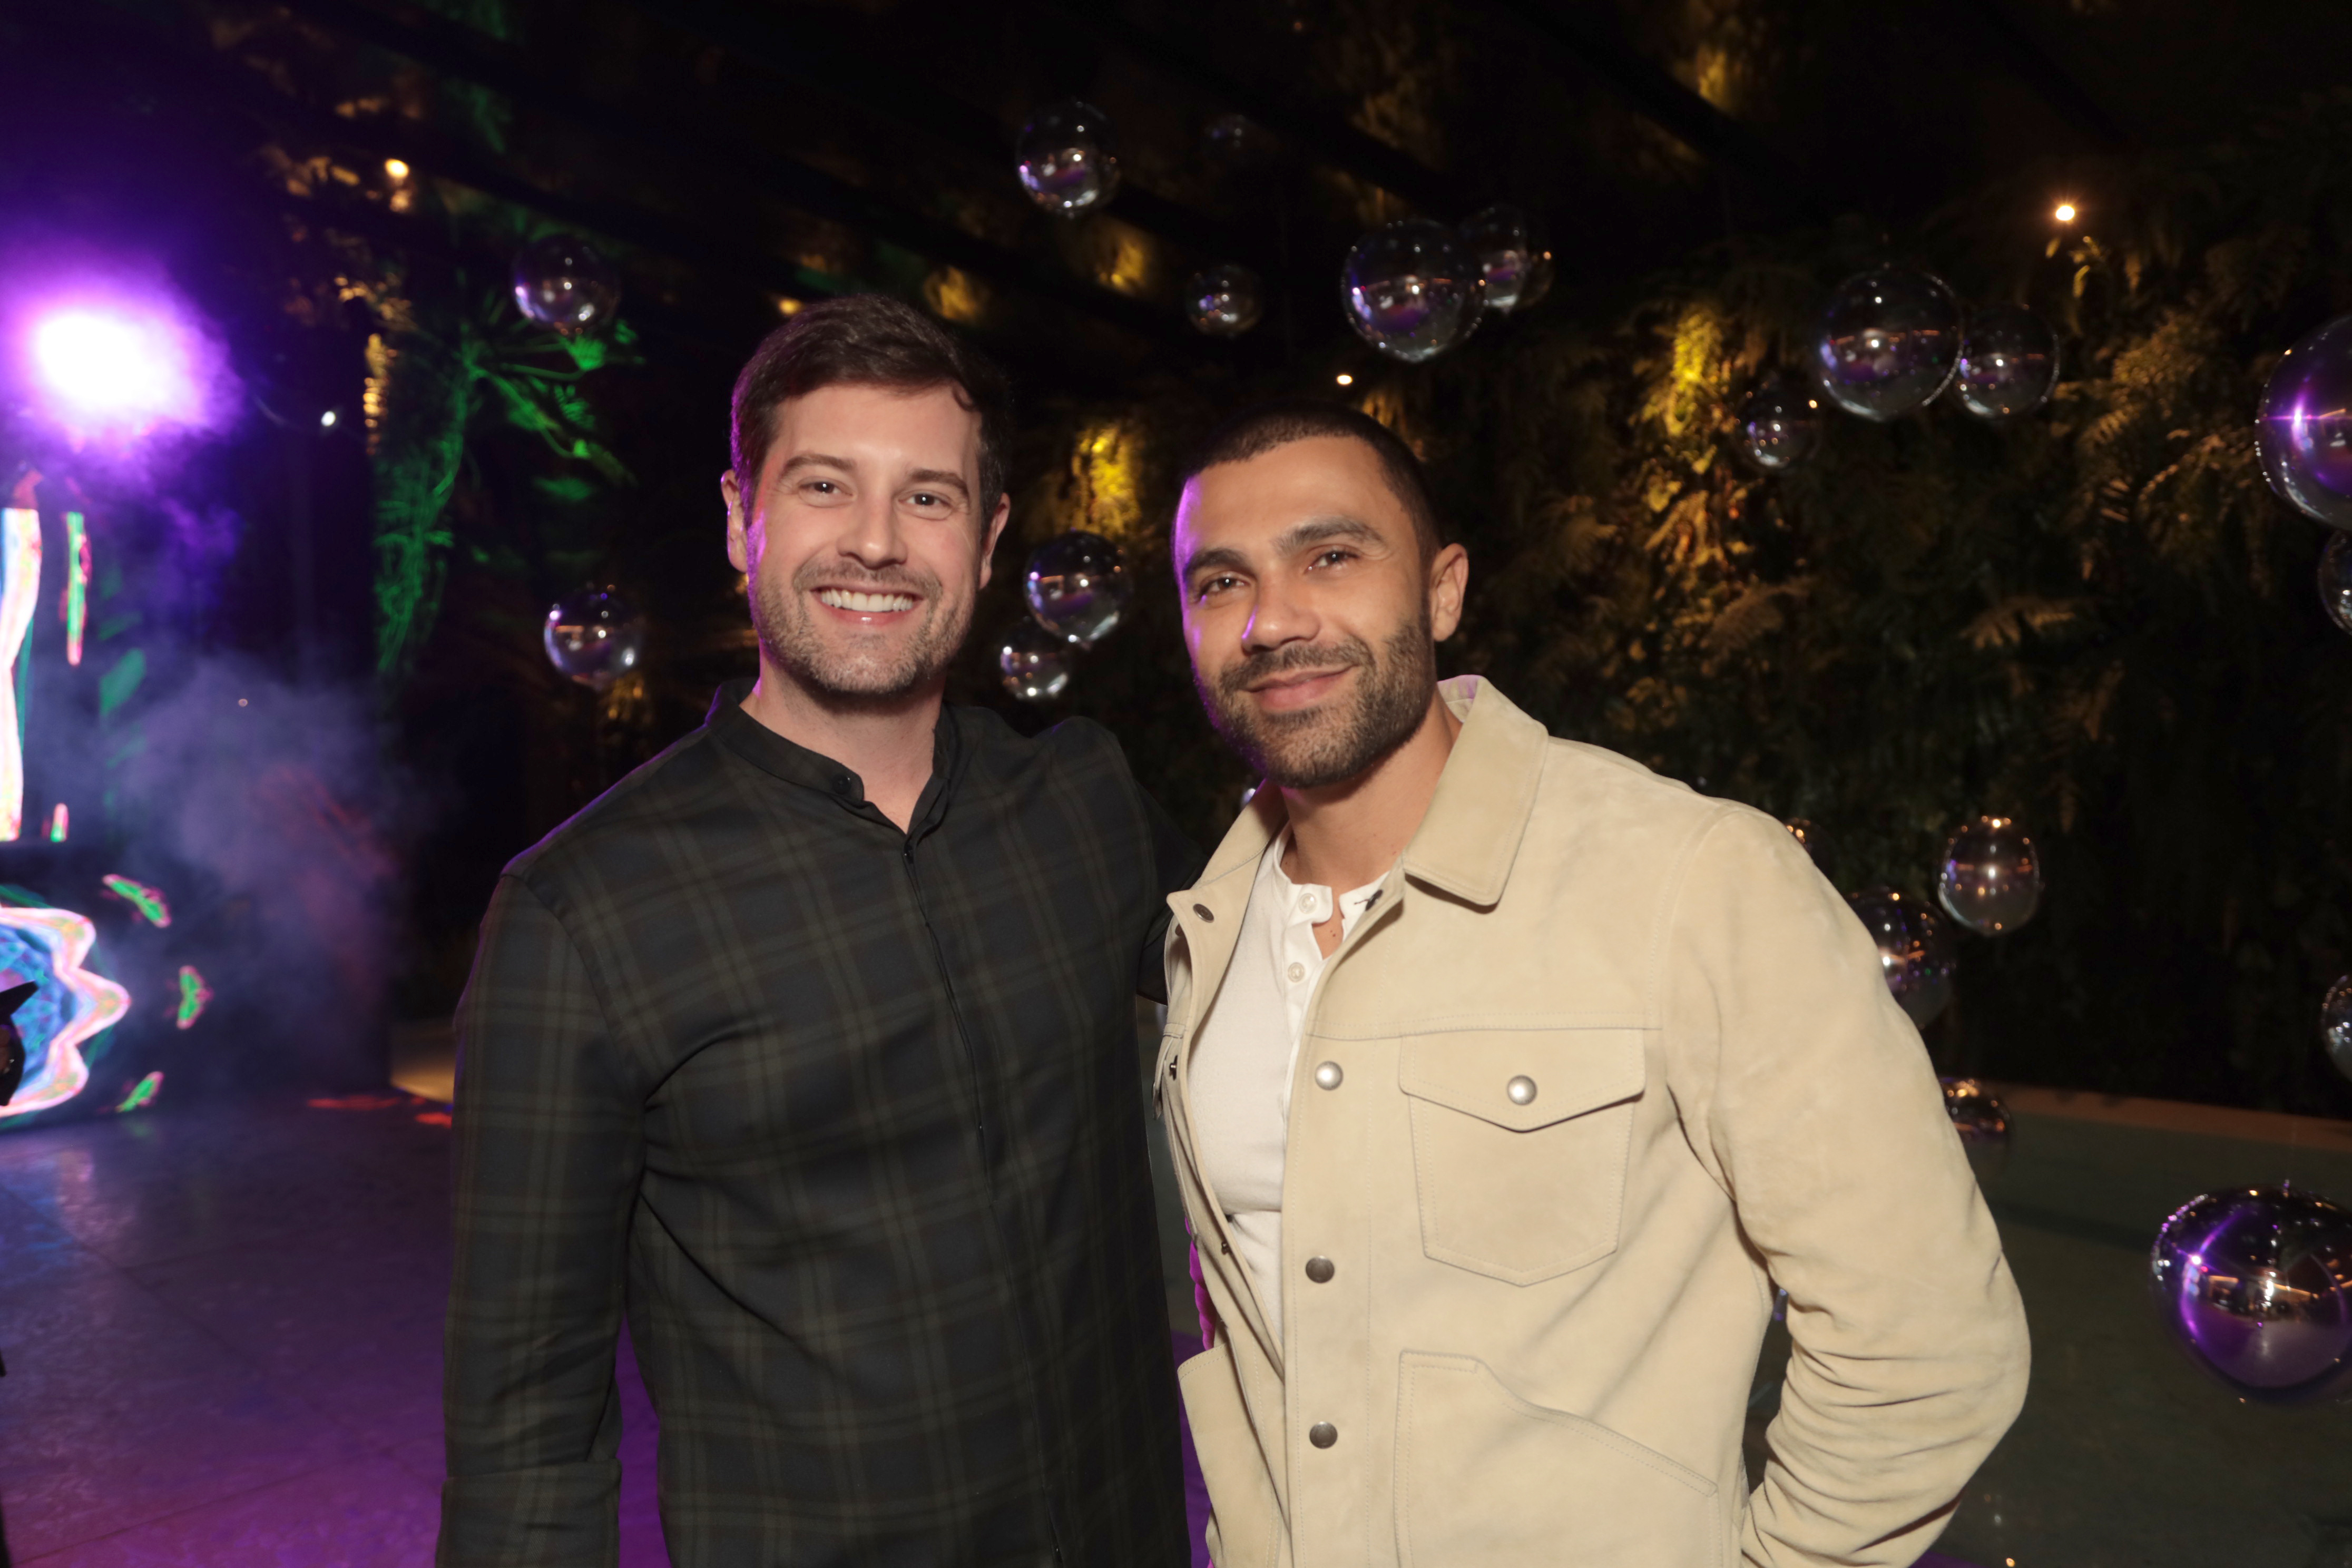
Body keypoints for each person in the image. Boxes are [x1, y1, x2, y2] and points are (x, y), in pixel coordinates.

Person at [1153, 400, 2029, 1567]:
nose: (1274, 620)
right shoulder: (1209, 930)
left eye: (1332, 557)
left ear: (1443, 592)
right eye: (1222, 583)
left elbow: (1927, 1345)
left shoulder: (1692, 879)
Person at [440, 295, 1197, 1567]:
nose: (876, 542)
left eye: (928, 497)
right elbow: (527, 1433)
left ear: (989, 538)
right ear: (742, 514)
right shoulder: (580, 912)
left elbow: (1316, 966)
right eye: (826, 486)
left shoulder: (1085, 802)